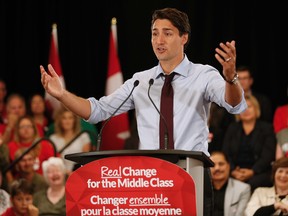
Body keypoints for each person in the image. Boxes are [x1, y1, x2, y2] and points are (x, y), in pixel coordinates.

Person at [40, 7, 247, 215]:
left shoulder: (203, 74)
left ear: (184, 38)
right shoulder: (141, 81)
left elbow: (233, 103)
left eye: (167, 33)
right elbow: (97, 111)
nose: (159, 40)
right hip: (149, 178)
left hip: (191, 174)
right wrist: (61, 95)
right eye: (155, 34)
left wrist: (231, 78)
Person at [222, 94, 276, 192]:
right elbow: (226, 153)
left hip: (259, 172)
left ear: (256, 109)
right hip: (235, 171)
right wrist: (233, 170)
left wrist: (252, 171)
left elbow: (268, 155)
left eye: (249, 107)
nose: (246, 110)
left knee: (252, 183)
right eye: (243, 107)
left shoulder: (267, 128)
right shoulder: (232, 128)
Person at [49, 106, 91, 175]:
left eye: (70, 118)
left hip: (79, 174)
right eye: (64, 118)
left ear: (74, 120)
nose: (67, 121)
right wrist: (66, 172)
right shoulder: (53, 139)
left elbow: (85, 161)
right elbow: (53, 161)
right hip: (60, 174)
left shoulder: (83, 136)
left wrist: (74, 173)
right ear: (60, 121)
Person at [210, 150, 251, 216]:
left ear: (228, 166)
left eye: (221, 164)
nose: (217, 168)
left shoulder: (243, 189)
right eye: (213, 165)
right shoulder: (200, 189)